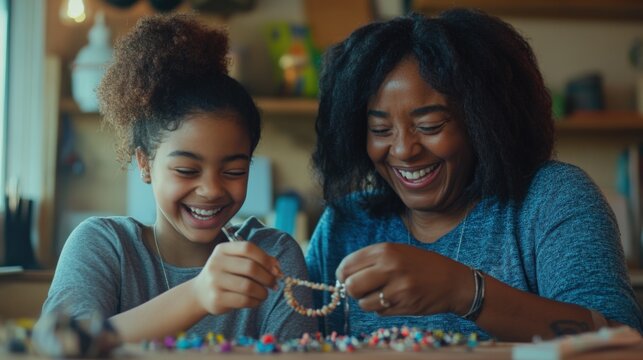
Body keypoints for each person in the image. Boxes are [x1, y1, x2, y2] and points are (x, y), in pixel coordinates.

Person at [305, 8, 643, 341]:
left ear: (483, 122)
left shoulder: (552, 199)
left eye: (430, 125)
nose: (404, 149)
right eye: (380, 129)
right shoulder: (345, 225)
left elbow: (624, 339)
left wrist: (465, 291)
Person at [40, 14, 316, 342]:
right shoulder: (104, 246)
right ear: (144, 162)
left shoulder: (273, 255)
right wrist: (196, 296)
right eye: (186, 170)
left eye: (234, 171)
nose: (212, 189)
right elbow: (59, 344)